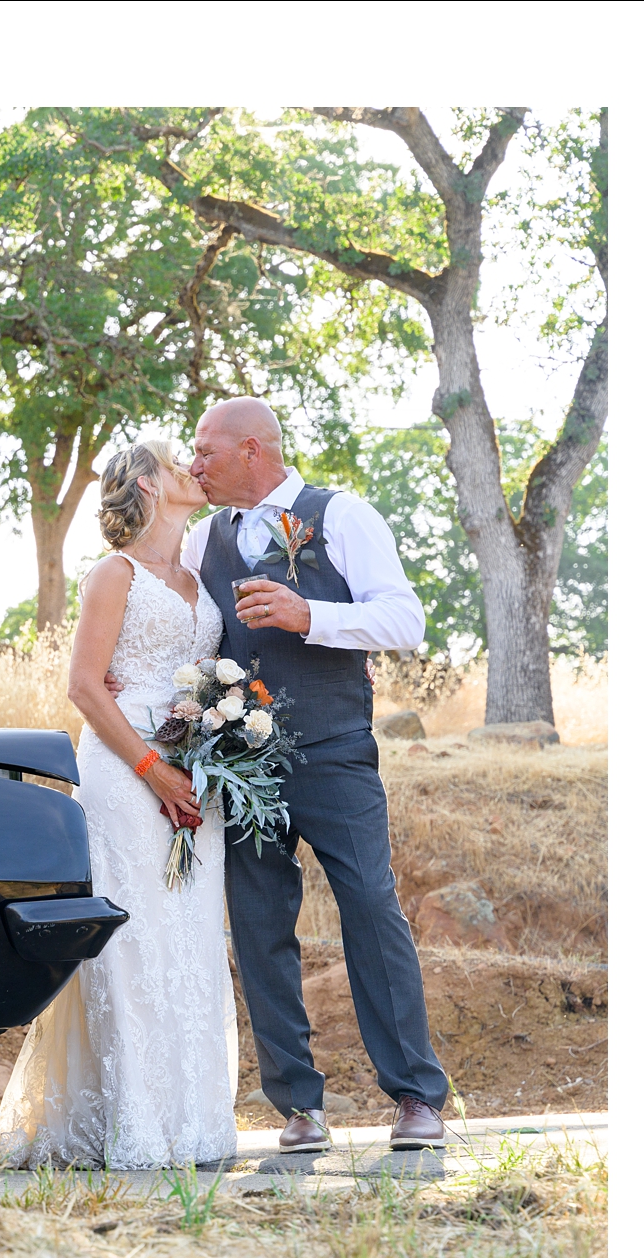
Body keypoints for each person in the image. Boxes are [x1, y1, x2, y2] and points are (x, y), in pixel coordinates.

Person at [183, 397, 448, 1153]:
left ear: (254, 451)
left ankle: (417, 1097)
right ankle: (298, 1107)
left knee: (371, 906)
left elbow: (405, 621)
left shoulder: (341, 515)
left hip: (334, 751)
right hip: (242, 765)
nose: (194, 465)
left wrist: (310, 616)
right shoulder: (207, 537)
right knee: (261, 929)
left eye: (206, 452)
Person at [0, 439, 239, 1170]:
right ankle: (132, 1123)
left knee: (188, 942)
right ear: (149, 487)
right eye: (175, 462)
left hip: (196, 771)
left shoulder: (197, 572)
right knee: (134, 941)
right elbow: (87, 687)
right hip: (128, 776)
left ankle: (194, 1123)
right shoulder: (112, 574)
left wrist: (214, 746)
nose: (192, 468)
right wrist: (154, 769)